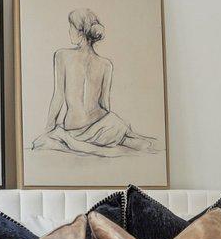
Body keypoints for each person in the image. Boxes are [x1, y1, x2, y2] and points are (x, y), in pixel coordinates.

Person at [29, 8, 161, 156]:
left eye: (70, 27)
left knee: (40, 143)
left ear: (80, 32)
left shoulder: (62, 56)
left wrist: (49, 129)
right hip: (106, 125)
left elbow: (58, 96)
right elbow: (105, 104)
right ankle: (127, 140)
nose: (69, 31)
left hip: (75, 129)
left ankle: (120, 140)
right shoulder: (106, 64)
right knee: (137, 141)